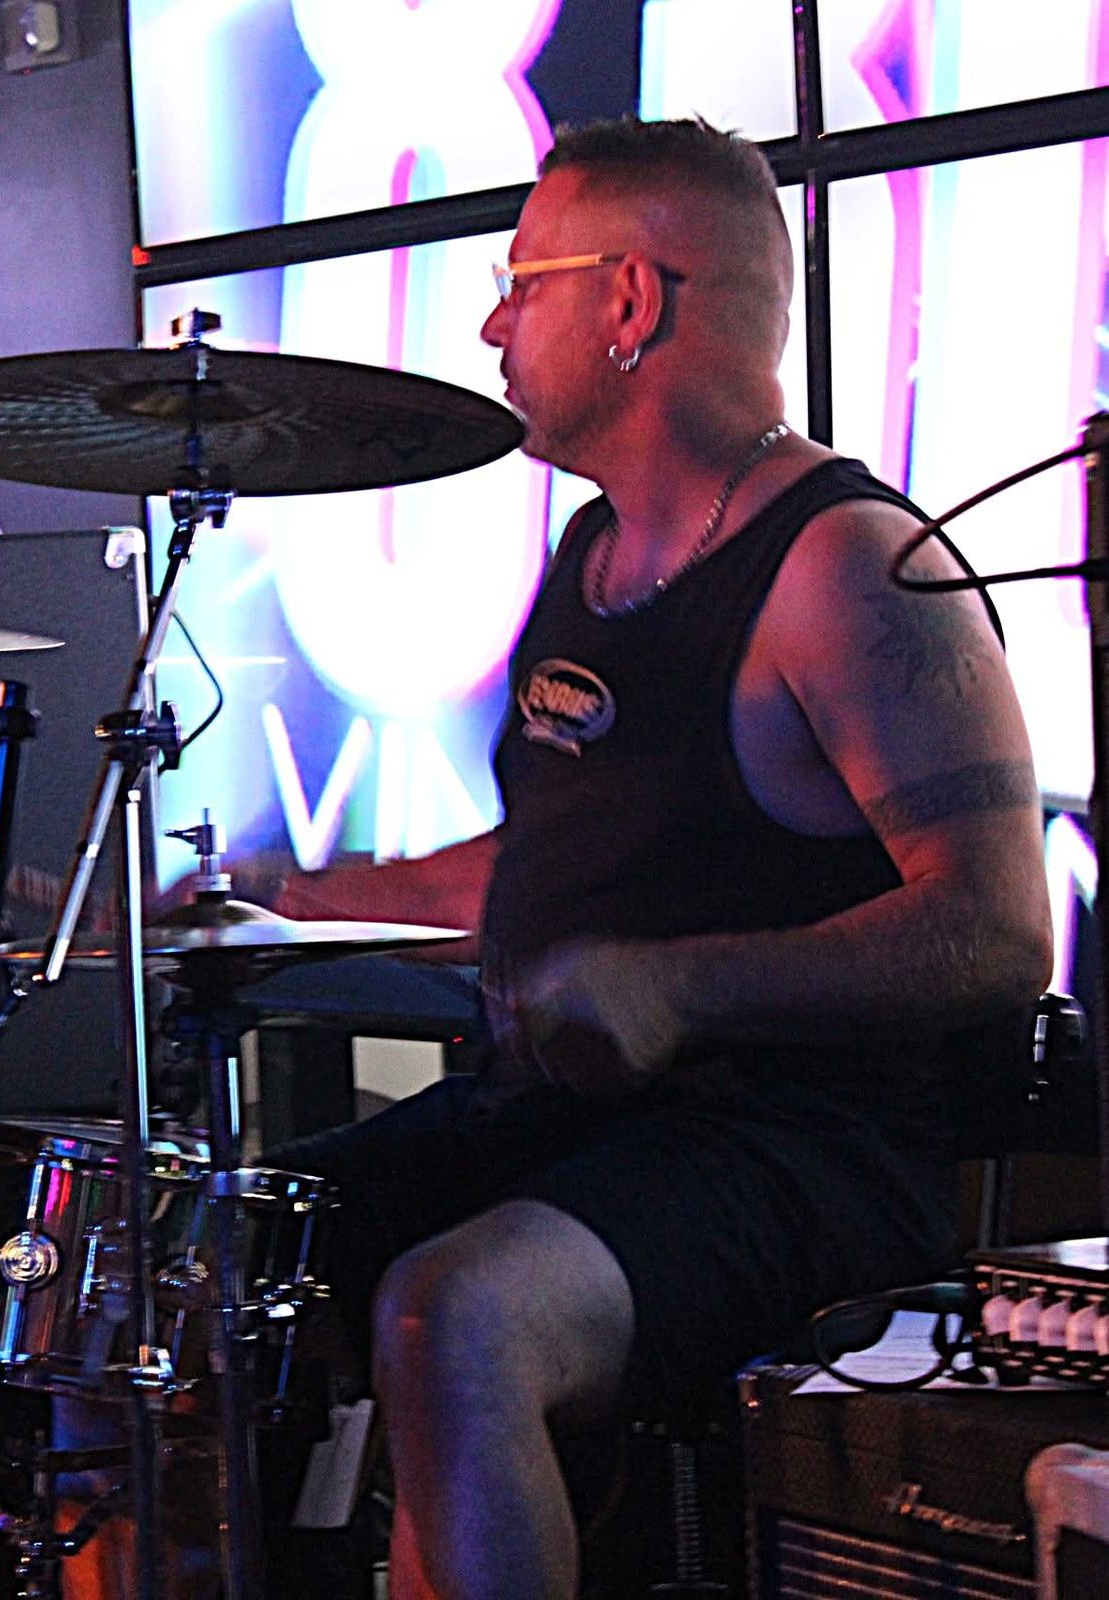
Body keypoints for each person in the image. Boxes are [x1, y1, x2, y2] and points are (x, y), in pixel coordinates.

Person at [269, 115, 1052, 1600]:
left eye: (521, 284)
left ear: (630, 298)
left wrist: (678, 987)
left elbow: (999, 932)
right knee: (234, 1247)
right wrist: (293, 899)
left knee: (455, 1315)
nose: (491, 327)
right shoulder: (591, 555)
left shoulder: (849, 566)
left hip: (800, 1146)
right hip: (575, 1123)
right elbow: (574, 859)